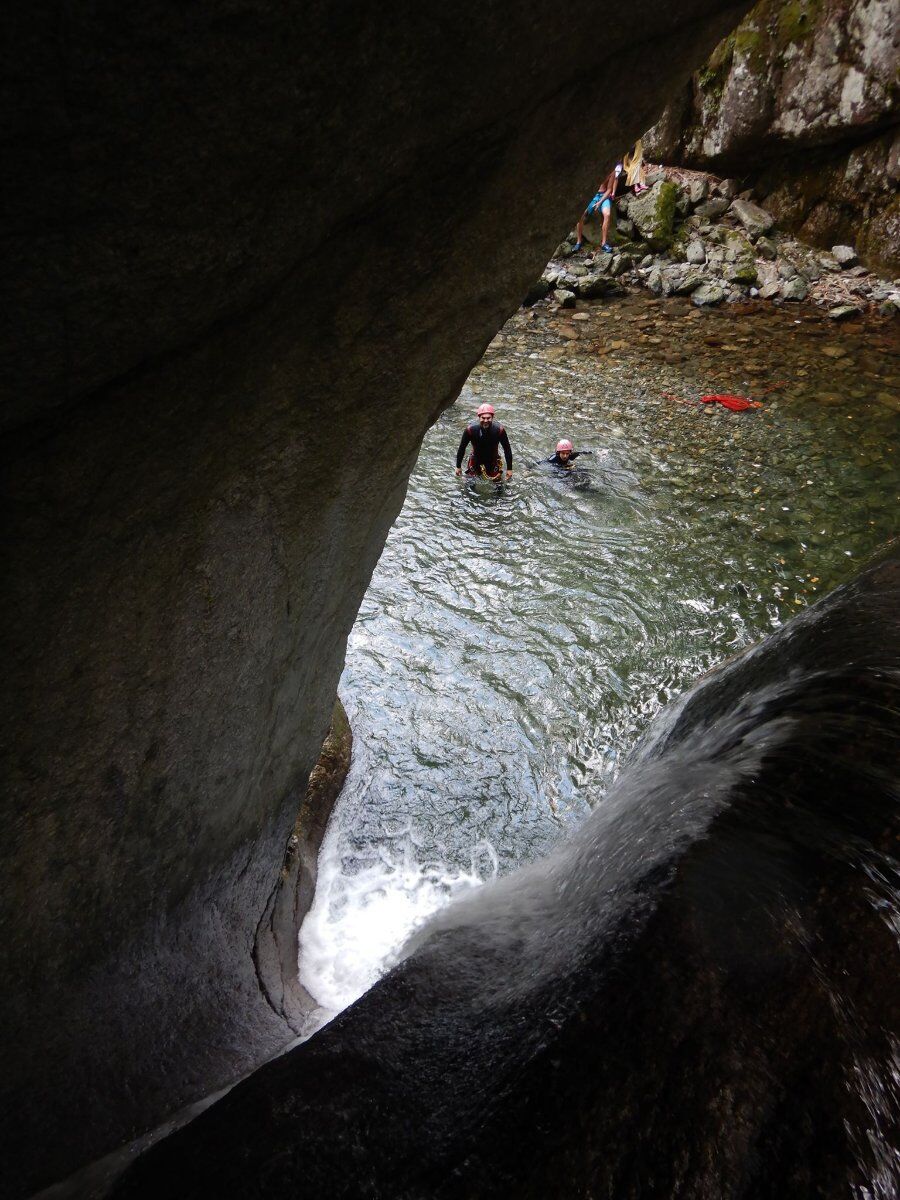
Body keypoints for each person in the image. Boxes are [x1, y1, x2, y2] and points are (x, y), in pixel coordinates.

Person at [455, 403, 513, 481]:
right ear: (479, 417)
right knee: (469, 490)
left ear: (492, 417)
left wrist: (509, 469)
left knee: (499, 489)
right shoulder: (470, 430)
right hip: (475, 462)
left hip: (493, 462)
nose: (486, 421)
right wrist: (458, 466)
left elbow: (507, 449)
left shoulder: (499, 430)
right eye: (483, 418)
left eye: (488, 418)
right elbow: (462, 448)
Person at [574, 164, 622, 253]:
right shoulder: (595, 167)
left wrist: (600, 202)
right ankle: (579, 241)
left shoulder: (612, 171)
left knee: (607, 214)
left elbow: (609, 190)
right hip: (593, 195)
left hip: (604, 196)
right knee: (580, 214)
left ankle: (604, 243)